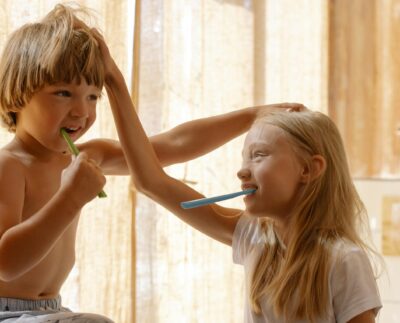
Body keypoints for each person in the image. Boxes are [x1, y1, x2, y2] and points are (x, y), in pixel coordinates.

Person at [0, 3, 303, 322]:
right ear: (19, 94)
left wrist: (251, 116)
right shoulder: (10, 166)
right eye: (63, 93)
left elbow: (173, 145)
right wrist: (70, 199)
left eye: (92, 96)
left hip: (51, 311)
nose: (81, 111)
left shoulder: (90, 156)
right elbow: (6, 264)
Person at [100, 25, 383, 323]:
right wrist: (114, 82)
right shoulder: (255, 238)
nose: (242, 170)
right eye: (245, 157)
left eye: (259, 155)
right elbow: (150, 182)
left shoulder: (344, 260)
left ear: (309, 169)